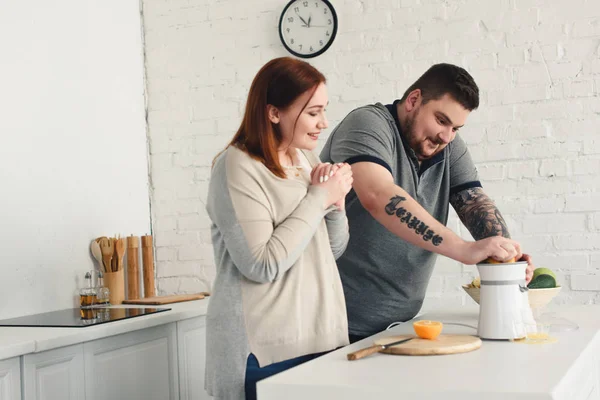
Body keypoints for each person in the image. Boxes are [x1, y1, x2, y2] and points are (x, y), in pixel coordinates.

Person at [320, 63, 535, 343]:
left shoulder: (449, 146)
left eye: (456, 128)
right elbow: (378, 194)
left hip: (401, 326)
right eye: (441, 120)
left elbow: (474, 202)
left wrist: (507, 254)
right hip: (333, 325)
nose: (446, 136)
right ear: (413, 100)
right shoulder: (367, 124)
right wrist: (463, 249)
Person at [205, 57, 353, 400]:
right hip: (265, 349)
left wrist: (336, 206)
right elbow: (261, 264)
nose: (323, 123)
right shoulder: (237, 165)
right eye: (313, 112)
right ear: (274, 113)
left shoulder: (307, 161)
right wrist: (318, 198)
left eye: (323, 111)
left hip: (322, 338)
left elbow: (327, 252)